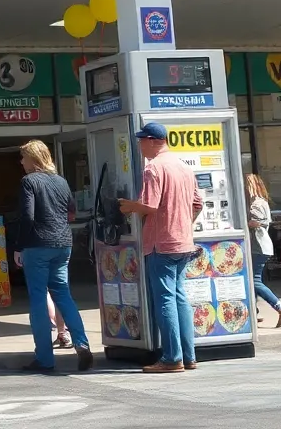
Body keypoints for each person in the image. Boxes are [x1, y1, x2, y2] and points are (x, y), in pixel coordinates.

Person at [119, 123, 203, 374]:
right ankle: (189, 356)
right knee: (180, 297)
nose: (139, 146)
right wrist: (182, 224)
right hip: (183, 241)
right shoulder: (183, 167)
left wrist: (129, 207)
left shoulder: (154, 167)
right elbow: (198, 203)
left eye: (141, 141)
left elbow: (150, 205)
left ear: (153, 140)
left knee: (165, 299)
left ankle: (171, 358)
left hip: (160, 243)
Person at [11, 140, 92, 373]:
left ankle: (45, 359)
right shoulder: (61, 181)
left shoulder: (29, 181)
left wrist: (19, 246)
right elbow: (71, 212)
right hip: (63, 244)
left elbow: (27, 216)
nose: (21, 161)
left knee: (38, 299)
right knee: (63, 295)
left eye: (24, 157)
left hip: (38, 245)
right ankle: (82, 343)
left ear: (33, 159)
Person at [246, 174, 281, 328]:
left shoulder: (256, 204)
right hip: (262, 247)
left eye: (247, 185)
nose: (245, 188)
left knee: (254, 281)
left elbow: (256, 223)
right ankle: (253, 312)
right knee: (251, 281)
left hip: (257, 247)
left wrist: (243, 222)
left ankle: (280, 308)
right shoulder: (262, 202)